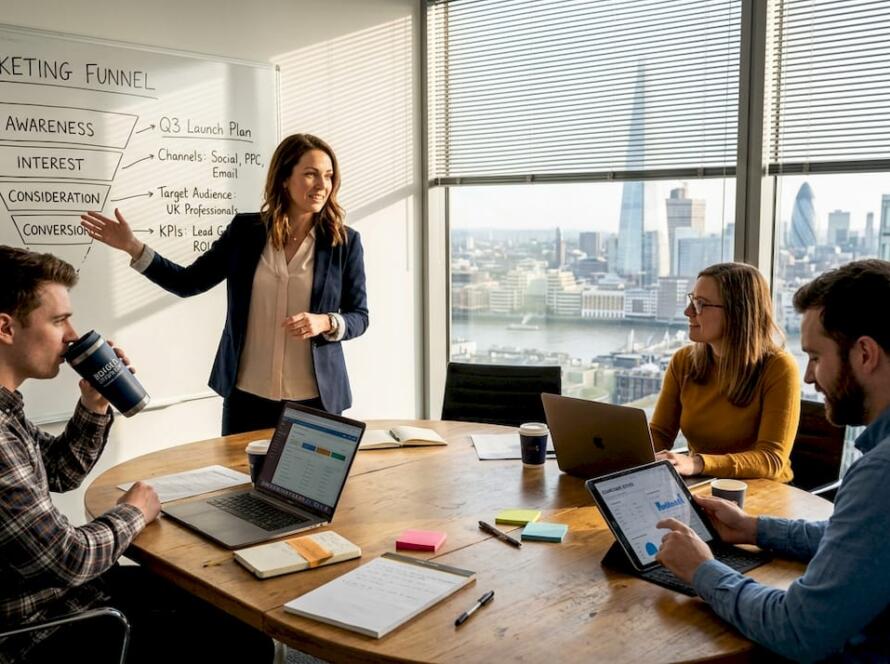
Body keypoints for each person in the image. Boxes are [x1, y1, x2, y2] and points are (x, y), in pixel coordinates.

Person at [0, 246, 274, 663]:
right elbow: (70, 558)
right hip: (42, 628)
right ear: (5, 327)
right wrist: (134, 511)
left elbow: (59, 473)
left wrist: (95, 402)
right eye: (58, 320)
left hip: (61, 594)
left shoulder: (8, 410)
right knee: (243, 643)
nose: (72, 334)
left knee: (221, 606)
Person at [656, 259, 890, 661]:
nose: (810, 377)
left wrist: (702, 571)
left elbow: (797, 629)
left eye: (816, 357)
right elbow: (853, 540)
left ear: (865, 354)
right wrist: (754, 528)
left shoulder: (880, 474)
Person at [81, 133, 369, 435]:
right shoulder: (246, 232)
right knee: (238, 481)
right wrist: (133, 247)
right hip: (247, 396)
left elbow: (359, 316)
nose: (322, 185)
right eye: (310, 174)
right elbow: (188, 282)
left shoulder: (344, 242)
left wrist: (326, 321)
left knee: (309, 483)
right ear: (285, 178)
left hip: (316, 399)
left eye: (328, 176)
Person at [650, 262, 800, 481]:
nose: (688, 312)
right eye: (692, 300)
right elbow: (660, 434)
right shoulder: (683, 361)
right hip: (703, 485)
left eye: (701, 304)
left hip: (762, 494)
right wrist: (621, 454)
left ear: (737, 312)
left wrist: (698, 463)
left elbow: (771, 460)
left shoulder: (779, 368)